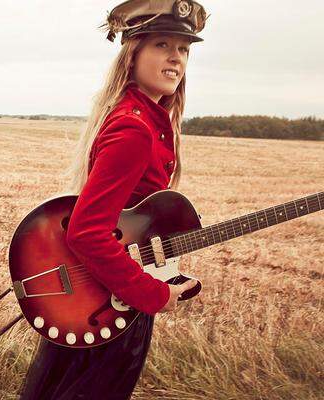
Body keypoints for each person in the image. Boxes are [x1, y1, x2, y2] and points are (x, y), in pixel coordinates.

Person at [19, 1, 209, 399]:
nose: (176, 57)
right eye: (162, 44)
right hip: (115, 306)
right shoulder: (135, 130)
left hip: (102, 300)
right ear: (132, 53)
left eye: (184, 49)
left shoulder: (144, 122)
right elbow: (88, 233)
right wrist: (155, 294)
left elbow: (128, 222)